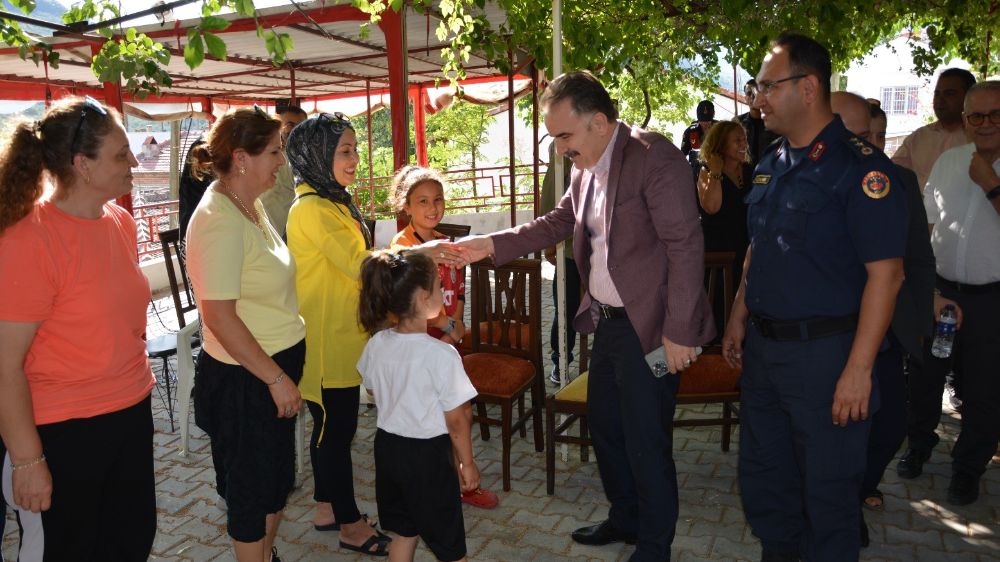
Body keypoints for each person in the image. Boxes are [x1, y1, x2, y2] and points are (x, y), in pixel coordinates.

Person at [459, 71, 713, 562]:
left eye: (564, 136)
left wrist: (680, 331)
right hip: (611, 326)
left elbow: (686, 246)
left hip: (656, 331)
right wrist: (487, 246)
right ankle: (625, 518)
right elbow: (558, 222)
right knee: (607, 428)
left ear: (598, 122)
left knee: (646, 438)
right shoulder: (585, 164)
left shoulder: (652, 157)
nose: (559, 149)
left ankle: (655, 546)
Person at [721, 33, 907, 562]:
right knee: (766, 484)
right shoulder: (772, 160)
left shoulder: (860, 170)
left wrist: (859, 369)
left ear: (808, 87)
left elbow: (886, 276)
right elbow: (759, 247)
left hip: (828, 358)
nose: (757, 98)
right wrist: (738, 313)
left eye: (765, 86)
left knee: (828, 499)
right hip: (765, 353)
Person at [284, 113, 464, 557]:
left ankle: (327, 507)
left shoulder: (333, 201)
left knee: (332, 429)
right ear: (318, 155)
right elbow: (362, 264)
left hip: (347, 335)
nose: (354, 159)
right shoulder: (311, 209)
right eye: (344, 151)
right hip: (328, 343)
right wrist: (424, 249)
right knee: (335, 433)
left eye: (354, 149)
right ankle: (349, 523)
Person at [0, 96, 157, 561]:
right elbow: (5, 367)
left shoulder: (119, 221)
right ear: (82, 165)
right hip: (64, 432)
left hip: (130, 413)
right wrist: (28, 461)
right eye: (120, 153)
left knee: (131, 542)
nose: (133, 161)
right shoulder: (29, 239)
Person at [186, 107, 307, 562]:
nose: (282, 161)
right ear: (241, 157)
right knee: (250, 492)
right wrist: (274, 378)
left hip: (269, 369)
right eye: (275, 151)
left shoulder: (249, 203)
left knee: (274, 482)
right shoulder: (219, 217)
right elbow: (218, 315)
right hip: (246, 379)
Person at [831, 92, 936, 545]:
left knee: (891, 423)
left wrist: (930, 303)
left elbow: (918, 256)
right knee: (843, 431)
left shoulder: (902, 182)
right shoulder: (831, 180)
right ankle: (842, 506)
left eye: (878, 136)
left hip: (890, 331)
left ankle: (858, 487)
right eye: (862, 136)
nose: (872, 145)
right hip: (838, 331)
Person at [899, 81, 1000, 506]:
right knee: (925, 376)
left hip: (992, 301)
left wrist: (991, 184)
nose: (984, 124)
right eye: (975, 115)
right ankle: (919, 445)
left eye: (995, 115)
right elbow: (925, 226)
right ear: (965, 118)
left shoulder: (981, 168)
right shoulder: (949, 161)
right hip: (941, 295)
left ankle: (967, 468)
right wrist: (924, 286)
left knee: (985, 390)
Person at [388, 165, 499, 510]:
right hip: (421, 342)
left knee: (457, 410)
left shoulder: (449, 243)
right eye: (422, 201)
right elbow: (413, 300)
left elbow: (458, 288)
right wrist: (448, 325)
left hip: (449, 340)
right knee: (438, 417)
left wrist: (458, 321)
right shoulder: (403, 247)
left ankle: (459, 480)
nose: (432, 208)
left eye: (437, 200)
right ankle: (449, 482)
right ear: (406, 206)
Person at [357, 250, 480, 562]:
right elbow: (457, 419)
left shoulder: (376, 344)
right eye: (439, 287)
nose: (443, 293)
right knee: (450, 547)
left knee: (405, 531)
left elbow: (372, 388)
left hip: (388, 450)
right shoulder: (441, 355)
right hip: (428, 458)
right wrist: (467, 463)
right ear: (426, 298)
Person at [696, 120, 752, 324]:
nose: (743, 144)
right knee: (720, 314)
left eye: (744, 139)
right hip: (720, 257)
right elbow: (712, 207)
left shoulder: (751, 171)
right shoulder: (706, 171)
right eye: (736, 140)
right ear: (721, 143)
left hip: (746, 252)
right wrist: (716, 171)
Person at [891, 68, 976, 191]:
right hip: (920, 209)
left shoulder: (981, 138)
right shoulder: (918, 138)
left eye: (949, 93)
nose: (940, 99)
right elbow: (893, 174)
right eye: (937, 93)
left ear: (968, 97)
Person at [539, 146, 580, 385]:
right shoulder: (561, 150)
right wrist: (550, 241)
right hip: (571, 247)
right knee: (566, 307)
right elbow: (550, 195)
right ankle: (560, 360)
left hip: (607, 249)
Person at [259, 105, 307, 236]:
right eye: (290, 125)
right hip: (265, 229)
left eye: (301, 126)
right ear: (278, 127)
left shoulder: (306, 161)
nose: (296, 130)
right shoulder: (259, 156)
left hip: (291, 231)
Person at [739, 80, 780, 166]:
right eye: (749, 93)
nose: (753, 96)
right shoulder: (738, 122)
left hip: (768, 171)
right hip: (743, 172)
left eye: (757, 93)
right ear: (745, 98)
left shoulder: (774, 122)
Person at [681, 100, 718, 181]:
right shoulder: (690, 131)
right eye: (702, 120)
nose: (705, 124)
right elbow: (682, 154)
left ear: (713, 115)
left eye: (708, 120)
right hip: (696, 173)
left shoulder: (720, 129)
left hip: (717, 171)